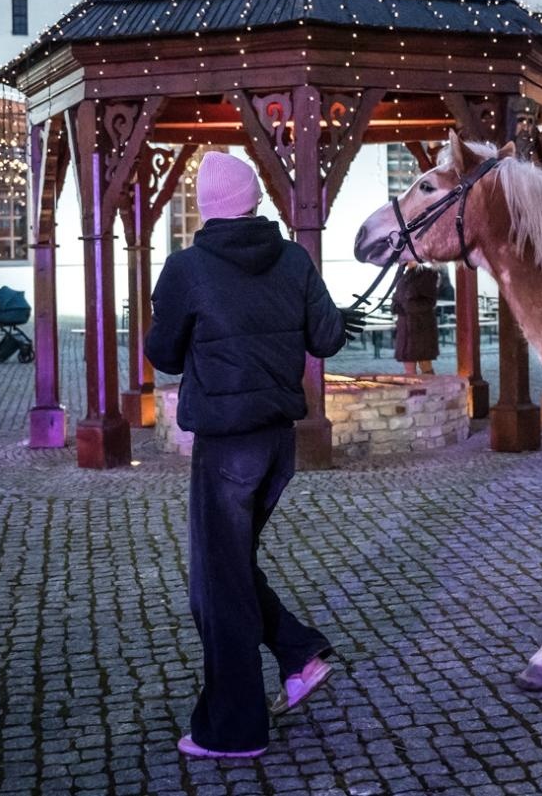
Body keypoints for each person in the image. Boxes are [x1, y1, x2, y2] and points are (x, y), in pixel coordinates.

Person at [144, 151, 361, 760]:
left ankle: (235, 729)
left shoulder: (187, 268)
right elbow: (327, 338)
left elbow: (163, 354)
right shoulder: (293, 257)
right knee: (228, 572)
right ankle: (297, 653)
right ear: (254, 199)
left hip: (226, 446)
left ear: (206, 207)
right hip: (277, 443)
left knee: (218, 586)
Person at [391, 262, 440, 375]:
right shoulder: (403, 276)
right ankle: (412, 389)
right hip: (405, 326)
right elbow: (397, 296)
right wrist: (396, 306)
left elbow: (430, 301)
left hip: (421, 326)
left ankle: (431, 388)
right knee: (408, 364)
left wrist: (408, 306)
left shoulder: (428, 274)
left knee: (425, 364)